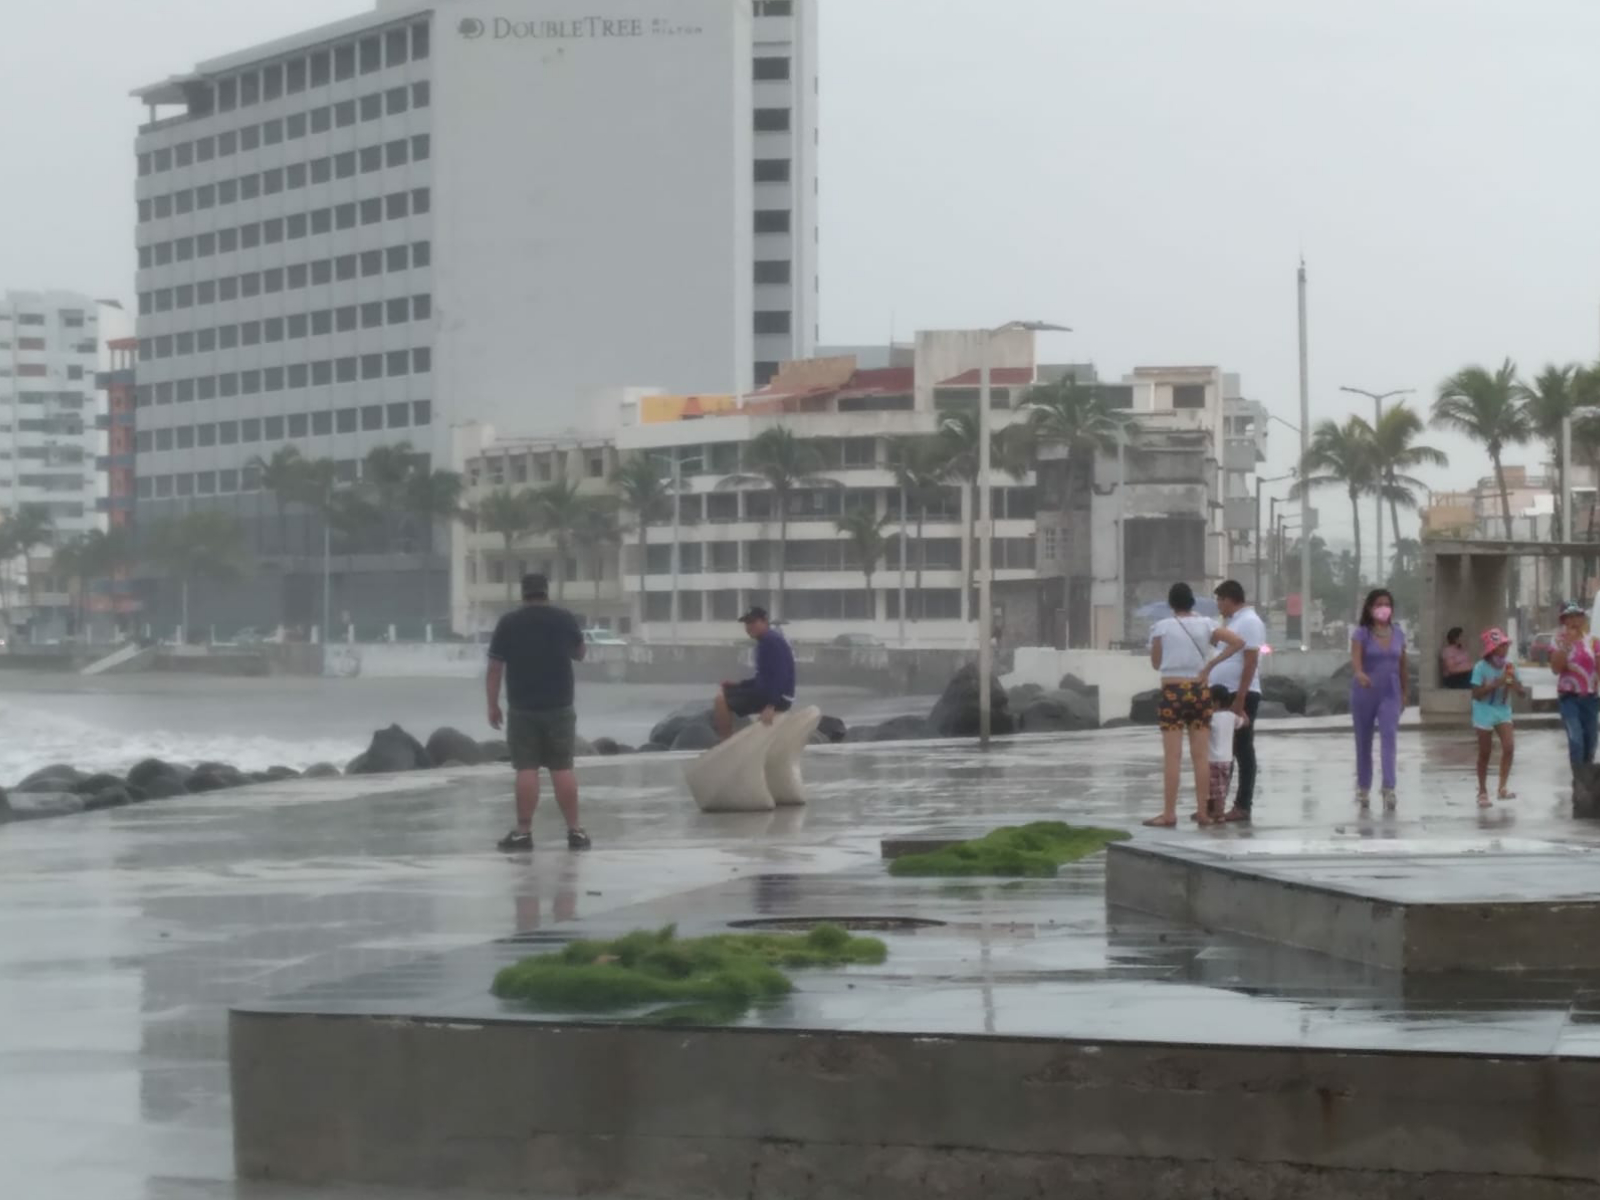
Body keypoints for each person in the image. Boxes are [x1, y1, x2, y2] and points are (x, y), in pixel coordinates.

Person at [486, 573, 591, 852]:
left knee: (526, 769)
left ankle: (523, 833)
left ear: (523, 594)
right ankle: (575, 832)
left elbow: (495, 667)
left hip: (523, 708)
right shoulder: (563, 618)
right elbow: (580, 653)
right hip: (559, 705)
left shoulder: (509, 623)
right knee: (562, 767)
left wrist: (492, 704)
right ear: (546, 592)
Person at [1144, 582, 1245, 828]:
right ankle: (1203, 812)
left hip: (1173, 692)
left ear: (1171, 604)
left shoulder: (1161, 628)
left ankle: (1169, 813)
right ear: (1192, 603)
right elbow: (1238, 642)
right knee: (1201, 756)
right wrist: (1210, 665)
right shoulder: (1207, 624)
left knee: (1173, 756)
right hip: (1200, 691)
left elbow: (1156, 663)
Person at [1209, 580, 1265, 823]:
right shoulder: (1233, 623)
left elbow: (1250, 661)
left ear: (1230, 599)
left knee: (1243, 750)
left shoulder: (1250, 622)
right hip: (1225, 694)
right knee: (1223, 751)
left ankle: (1243, 805)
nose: (1219, 606)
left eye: (1220, 600)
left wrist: (1240, 700)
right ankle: (1216, 804)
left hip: (1241, 693)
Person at [1350, 588, 1408, 811]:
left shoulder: (1398, 634)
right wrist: (1360, 673)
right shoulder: (1361, 634)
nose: (1383, 608)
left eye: (1387, 604)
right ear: (1370, 608)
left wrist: (1404, 692)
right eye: (1378, 604)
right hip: (1365, 691)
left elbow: (1403, 665)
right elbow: (1355, 659)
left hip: (1390, 691)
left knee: (1389, 737)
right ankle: (1363, 787)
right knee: (1363, 741)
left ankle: (1389, 787)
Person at [713, 606, 796, 740]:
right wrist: (739, 685)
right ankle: (730, 737)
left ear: (764, 621)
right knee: (725, 690)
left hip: (779, 698)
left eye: (753, 622)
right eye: (746, 623)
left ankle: (725, 742)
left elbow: (781, 674)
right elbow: (763, 678)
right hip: (768, 692)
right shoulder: (767, 640)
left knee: (720, 699)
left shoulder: (771, 641)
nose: (749, 627)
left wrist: (771, 706)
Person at [1471, 627, 1524, 807]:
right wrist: (1495, 684)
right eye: (1501, 646)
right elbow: (1476, 694)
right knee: (1485, 752)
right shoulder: (1480, 667)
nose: (1505, 649)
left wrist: (1515, 684)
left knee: (1509, 746)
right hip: (1483, 710)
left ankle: (1502, 787)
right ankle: (1482, 791)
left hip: (1502, 709)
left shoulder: (1509, 667)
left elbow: (1522, 691)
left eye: (1505, 645)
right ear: (1492, 649)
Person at [1550, 602, 1600, 772]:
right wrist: (1566, 645)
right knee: (1576, 740)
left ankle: (1586, 779)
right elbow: (1556, 669)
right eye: (1569, 617)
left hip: (1591, 699)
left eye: (1577, 616)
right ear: (1563, 620)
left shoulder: (1593, 641)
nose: (1573, 621)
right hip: (1569, 698)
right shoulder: (1557, 640)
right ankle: (1578, 780)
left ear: (1582, 619)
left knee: (1590, 742)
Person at [1206, 686, 1237, 821]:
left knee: (1211, 788)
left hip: (1212, 759)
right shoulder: (1232, 717)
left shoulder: (1211, 718)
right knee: (1221, 788)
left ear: (1216, 702)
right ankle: (1219, 811)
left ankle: (1217, 813)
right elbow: (1244, 722)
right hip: (1227, 759)